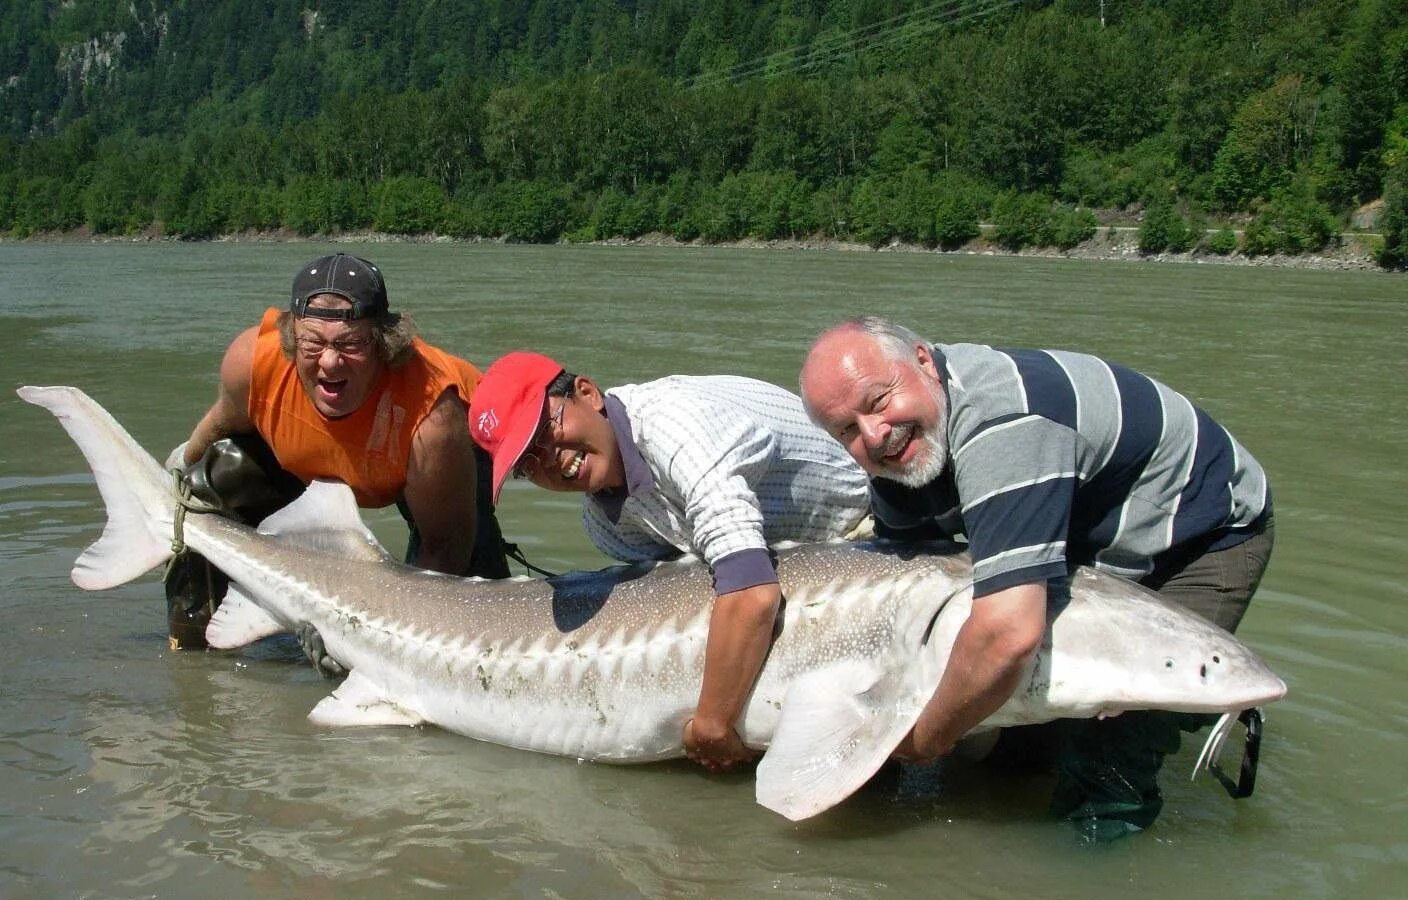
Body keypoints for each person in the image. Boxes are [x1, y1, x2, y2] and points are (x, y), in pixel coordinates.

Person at [799, 316, 1274, 839]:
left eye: (878, 400)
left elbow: (1007, 633)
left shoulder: (1007, 425)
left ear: (923, 361)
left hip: (1197, 529)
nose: (873, 434)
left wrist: (924, 742)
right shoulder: (898, 454)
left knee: (1115, 742)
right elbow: (910, 588)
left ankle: (1091, 877)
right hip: (1074, 521)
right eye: (847, 429)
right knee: (1010, 739)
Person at [467, 352, 872, 772]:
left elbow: (751, 593)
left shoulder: (674, 428)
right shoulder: (606, 524)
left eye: (545, 429)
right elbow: (695, 587)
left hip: (865, 536)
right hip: (780, 563)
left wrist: (712, 727)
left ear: (587, 394)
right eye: (527, 461)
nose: (549, 458)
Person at [167, 252, 510, 654]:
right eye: (313, 341)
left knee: (474, 616)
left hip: (432, 468)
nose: (330, 362)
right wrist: (171, 494)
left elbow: (445, 548)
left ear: (385, 343)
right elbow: (214, 432)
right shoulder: (253, 362)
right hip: (304, 461)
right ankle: (194, 646)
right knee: (209, 482)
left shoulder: (433, 416)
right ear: (292, 337)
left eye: (351, 343)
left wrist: (370, 645)